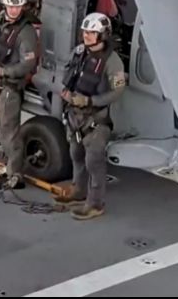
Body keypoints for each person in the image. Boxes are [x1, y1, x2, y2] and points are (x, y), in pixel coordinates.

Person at [58, 12, 126, 220]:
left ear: (103, 35)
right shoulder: (80, 52)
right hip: (74, 116)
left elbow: (117, 91)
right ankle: (79, 189)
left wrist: (90, 102)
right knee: (76, 154)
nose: (86, 36)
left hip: (95, 120)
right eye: (85, 32)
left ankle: (95, 203)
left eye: (92, 33)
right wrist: (68, 94)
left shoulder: (112, 62)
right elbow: (68, 73)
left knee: (93, 162)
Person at [0, 0, 39, 190]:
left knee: (9, 131)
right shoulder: (2, 20)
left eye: (17, 7)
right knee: (1, 127)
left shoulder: (26, 33)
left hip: (10, 85)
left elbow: (27, 64)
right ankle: (3, 164)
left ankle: (15, 173)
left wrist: (3, 72)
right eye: (11, 6)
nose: (14, 10)